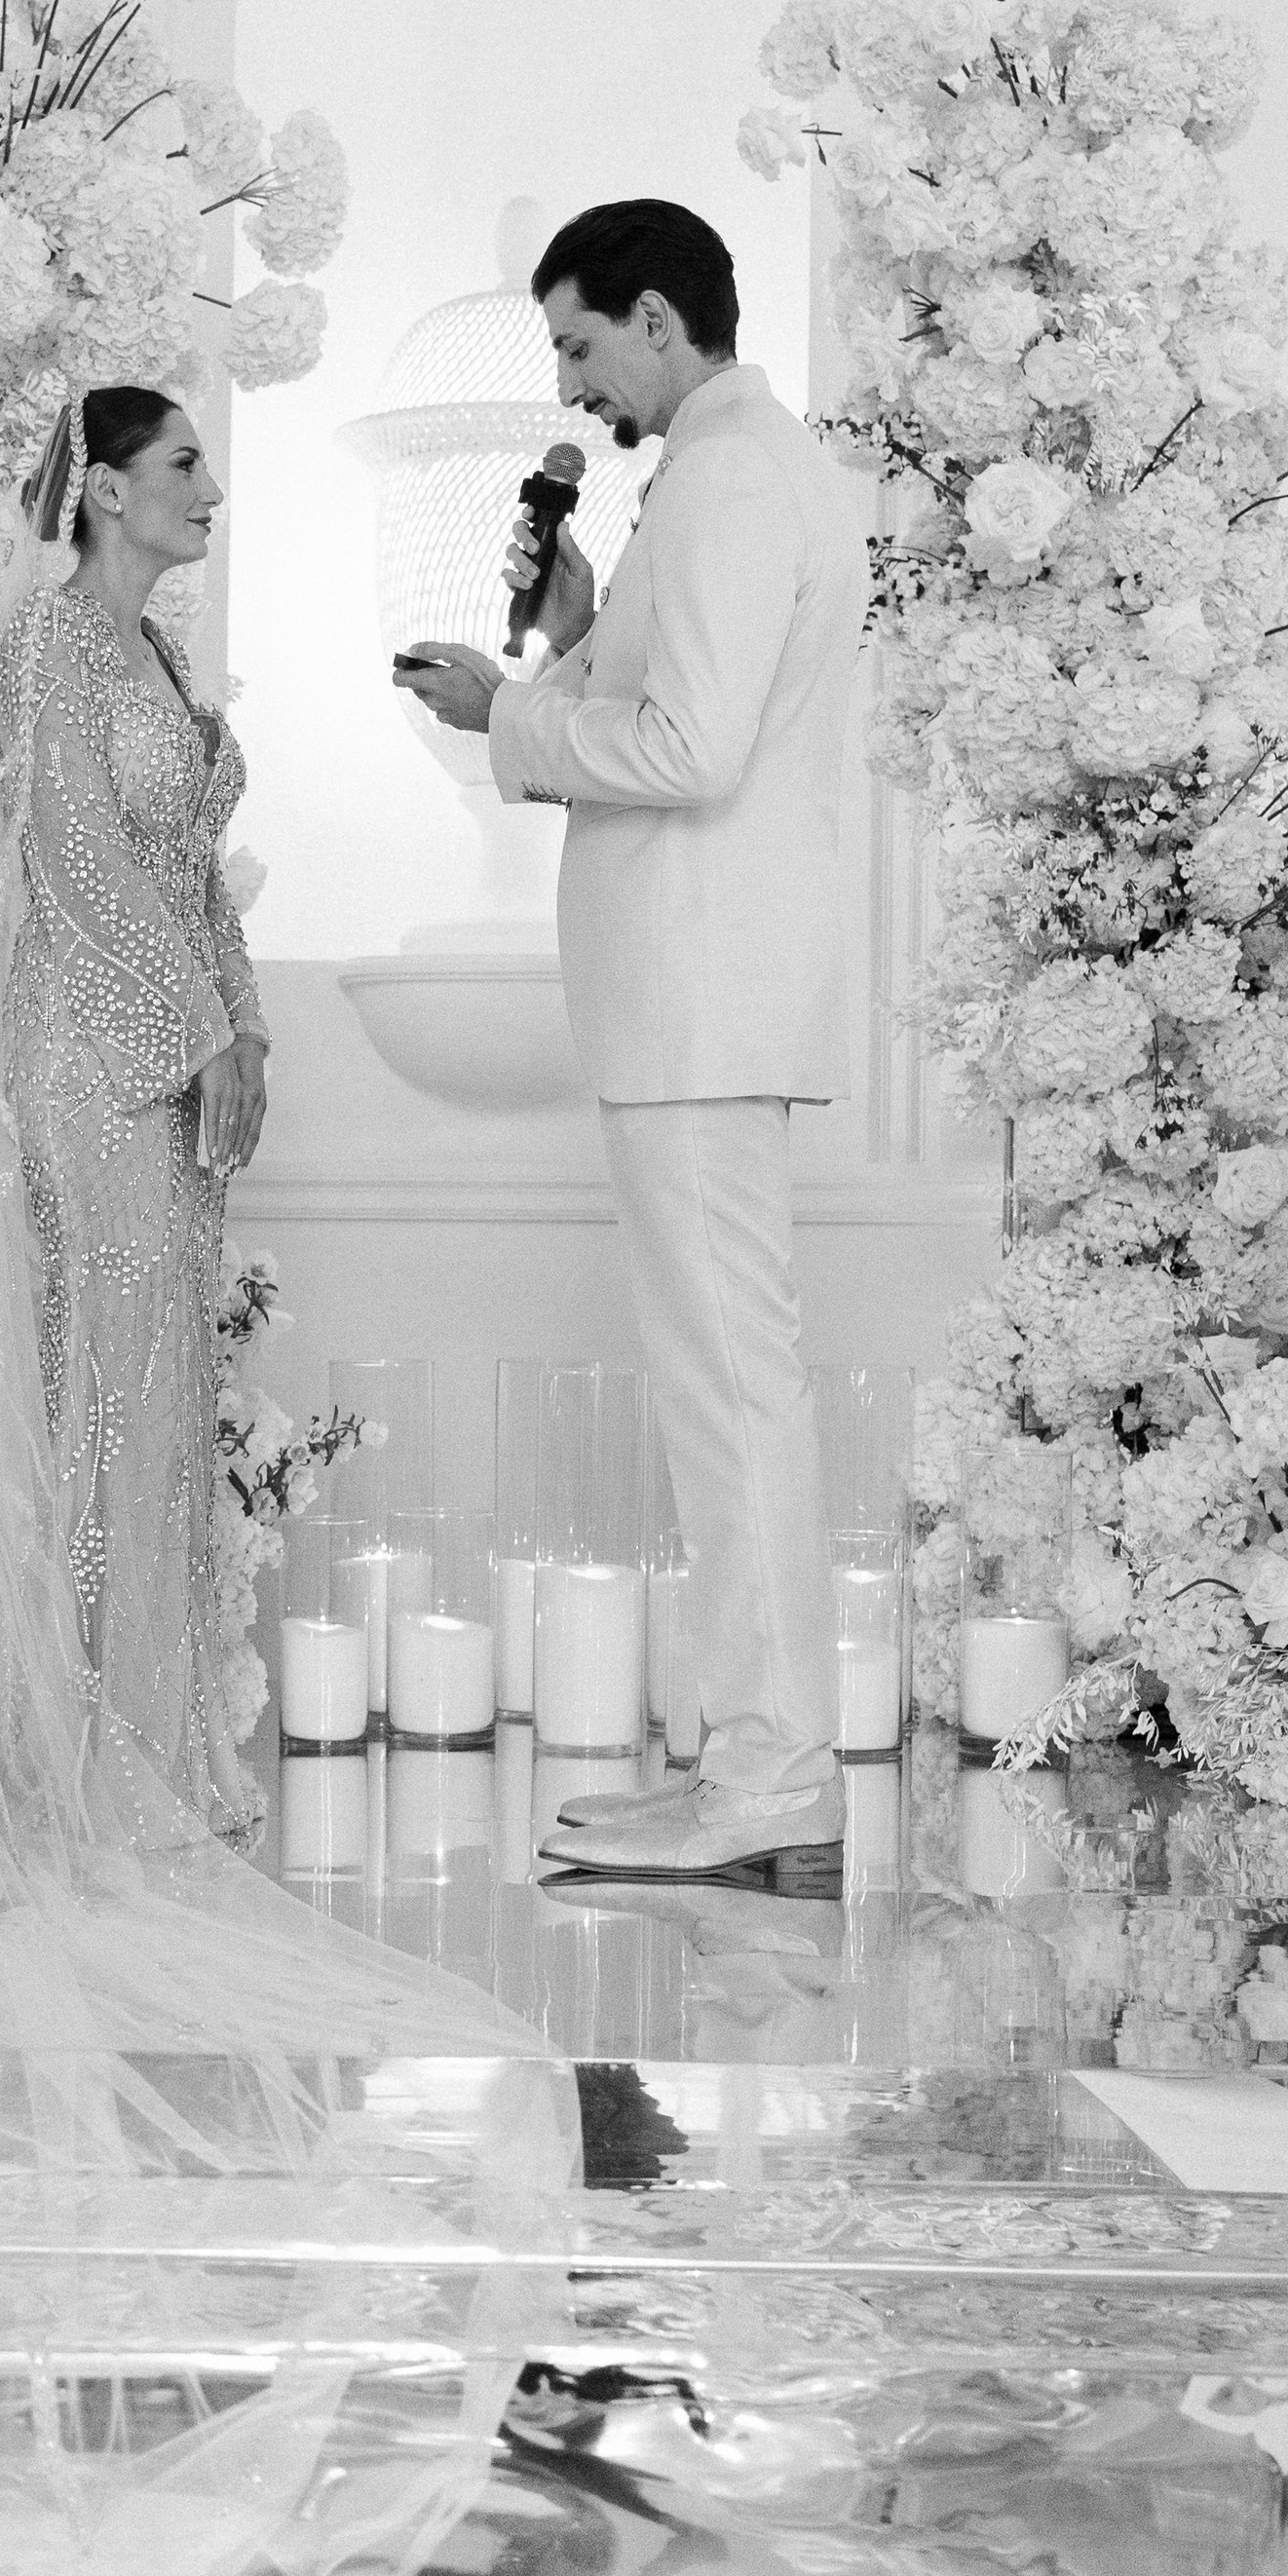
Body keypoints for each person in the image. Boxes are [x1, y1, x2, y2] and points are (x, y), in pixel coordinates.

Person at [396, 198, 866, 1876]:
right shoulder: (728, 470)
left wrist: (507, 712)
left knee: (737, 1396)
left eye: (583, 346)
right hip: (695, 999)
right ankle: (751, 1766)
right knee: (720, 1390)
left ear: (661, 320)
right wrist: (583, 619)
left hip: (705, 1000)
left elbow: (689, 752)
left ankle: (776, 1792)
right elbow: (671, 696)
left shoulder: (738, 472)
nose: (577, 386)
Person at [0, 382, 271, 1840]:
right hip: (96, 1054)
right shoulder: (53, 641)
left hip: (173, 1048)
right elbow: (81, 858)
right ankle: (80, 1753)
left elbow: (185, 863)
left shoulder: (152, 649)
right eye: (181, 463)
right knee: (106, 1381)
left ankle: (154, 1737)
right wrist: (201, 1027)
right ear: (102, 488)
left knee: (165, 1383)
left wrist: (250, 1028)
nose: (208, 488)